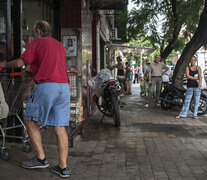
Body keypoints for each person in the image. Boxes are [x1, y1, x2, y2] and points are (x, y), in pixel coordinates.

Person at [0, 20, 70, 178]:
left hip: (47, 87)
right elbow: (48, 64)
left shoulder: (37, 43)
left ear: (39, 31)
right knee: (59, 128)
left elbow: (20, 62)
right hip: (63, 87)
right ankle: (63, 167)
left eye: (33, 32)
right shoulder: (59, 45)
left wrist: (4, 64)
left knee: (30, 120)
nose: (33, 34)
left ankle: (40, 158)